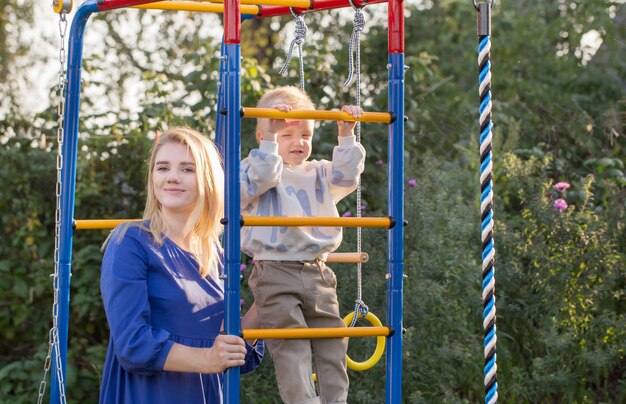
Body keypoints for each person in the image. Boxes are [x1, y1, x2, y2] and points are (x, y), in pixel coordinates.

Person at [99, 127, 264, 404]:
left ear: (208, 179)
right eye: (162, 168)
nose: (172, 177)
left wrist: (268, 296)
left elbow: (234, 354)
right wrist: (207, 359)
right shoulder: (131, 241)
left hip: (205, 395)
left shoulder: (215, 253)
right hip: (148, 395)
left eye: (187, 169)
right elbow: (133, 344)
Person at [241, 86, 366, 404]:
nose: (298, 142)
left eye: (306, 135)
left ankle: (335, 400)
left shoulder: (318, 173)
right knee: (291, 344)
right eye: (286, 134)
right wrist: (270, 140)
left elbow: (348, 174)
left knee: (333, 340)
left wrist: (346, 135)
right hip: (274, 270)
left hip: (317, 271)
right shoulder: (257, 170)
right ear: (263, 136)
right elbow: (260, 178)